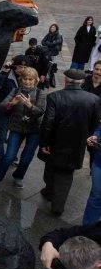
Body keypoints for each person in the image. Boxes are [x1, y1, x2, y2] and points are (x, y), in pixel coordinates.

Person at [40, 69, 101, 215]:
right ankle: (57, 205)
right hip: (77, 145)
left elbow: (48, 123)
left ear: (66, 80)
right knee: (66, 174)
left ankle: (49, 192)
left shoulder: (55, 96)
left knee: (51, 168)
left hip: (55, 142)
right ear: (82, 82)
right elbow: (95, 123)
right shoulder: (93, 99)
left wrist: (44, 142)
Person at [0, 67, 46, 190]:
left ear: (35, 80)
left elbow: (40, 112)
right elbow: (2, 107)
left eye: (30, 79)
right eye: (25, 79)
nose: (27, 82)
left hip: (34, 130)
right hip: (17, 127)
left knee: (26, 157)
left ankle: (18, 176)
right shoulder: (15, 91)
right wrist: (12, 103)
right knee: (9, 156)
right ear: (21, 79)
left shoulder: (41, 93)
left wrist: (30, 105)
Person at [0, 55, 28, 162]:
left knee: (14, 135)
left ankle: (11, 155)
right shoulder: (6, 75)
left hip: (17, 112)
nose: (22, 70)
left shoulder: (27, 77)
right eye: (19, 67)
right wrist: (4, 70)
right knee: (1, 134)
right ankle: (0, 154)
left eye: (24, 67)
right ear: (14, 66)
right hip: (4, 110)